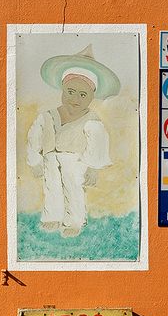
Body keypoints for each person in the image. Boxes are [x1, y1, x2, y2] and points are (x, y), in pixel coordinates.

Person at [26, 45, 119, 238]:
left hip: (76, 162)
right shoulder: (48, 116)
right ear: (62, 90)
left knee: (73, 189)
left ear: (92, 97)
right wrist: (34, 160)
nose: (75, 98)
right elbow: (34, 138)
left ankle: (74, 221)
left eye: (82, 94)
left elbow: (97, 144)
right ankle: (52, 217)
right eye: (70, 91)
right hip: (50, 159)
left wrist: (93, 168)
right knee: (51, 187)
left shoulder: (92, 120)